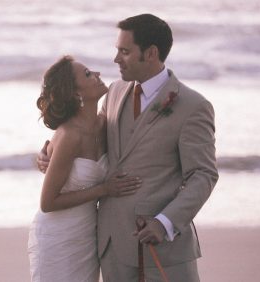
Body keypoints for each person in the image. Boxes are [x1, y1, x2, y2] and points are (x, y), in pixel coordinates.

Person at [37, 14, 219, 281]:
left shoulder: (193, 107)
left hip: (163, 249)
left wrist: (165, 222)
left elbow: (203, 175)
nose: (115, 59)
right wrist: (49, 154)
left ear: (151, 53)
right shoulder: (113, 93)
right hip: (110, 247)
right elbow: (88, 139)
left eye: (125, 51)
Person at [28, 55, 142, 282]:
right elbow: (48, 202)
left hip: (89, 234)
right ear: (75, 93)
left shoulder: (104, 124)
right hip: (58, 236)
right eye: (88, 74)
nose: (97, 74)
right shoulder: (70, 136)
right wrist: (105, 189)